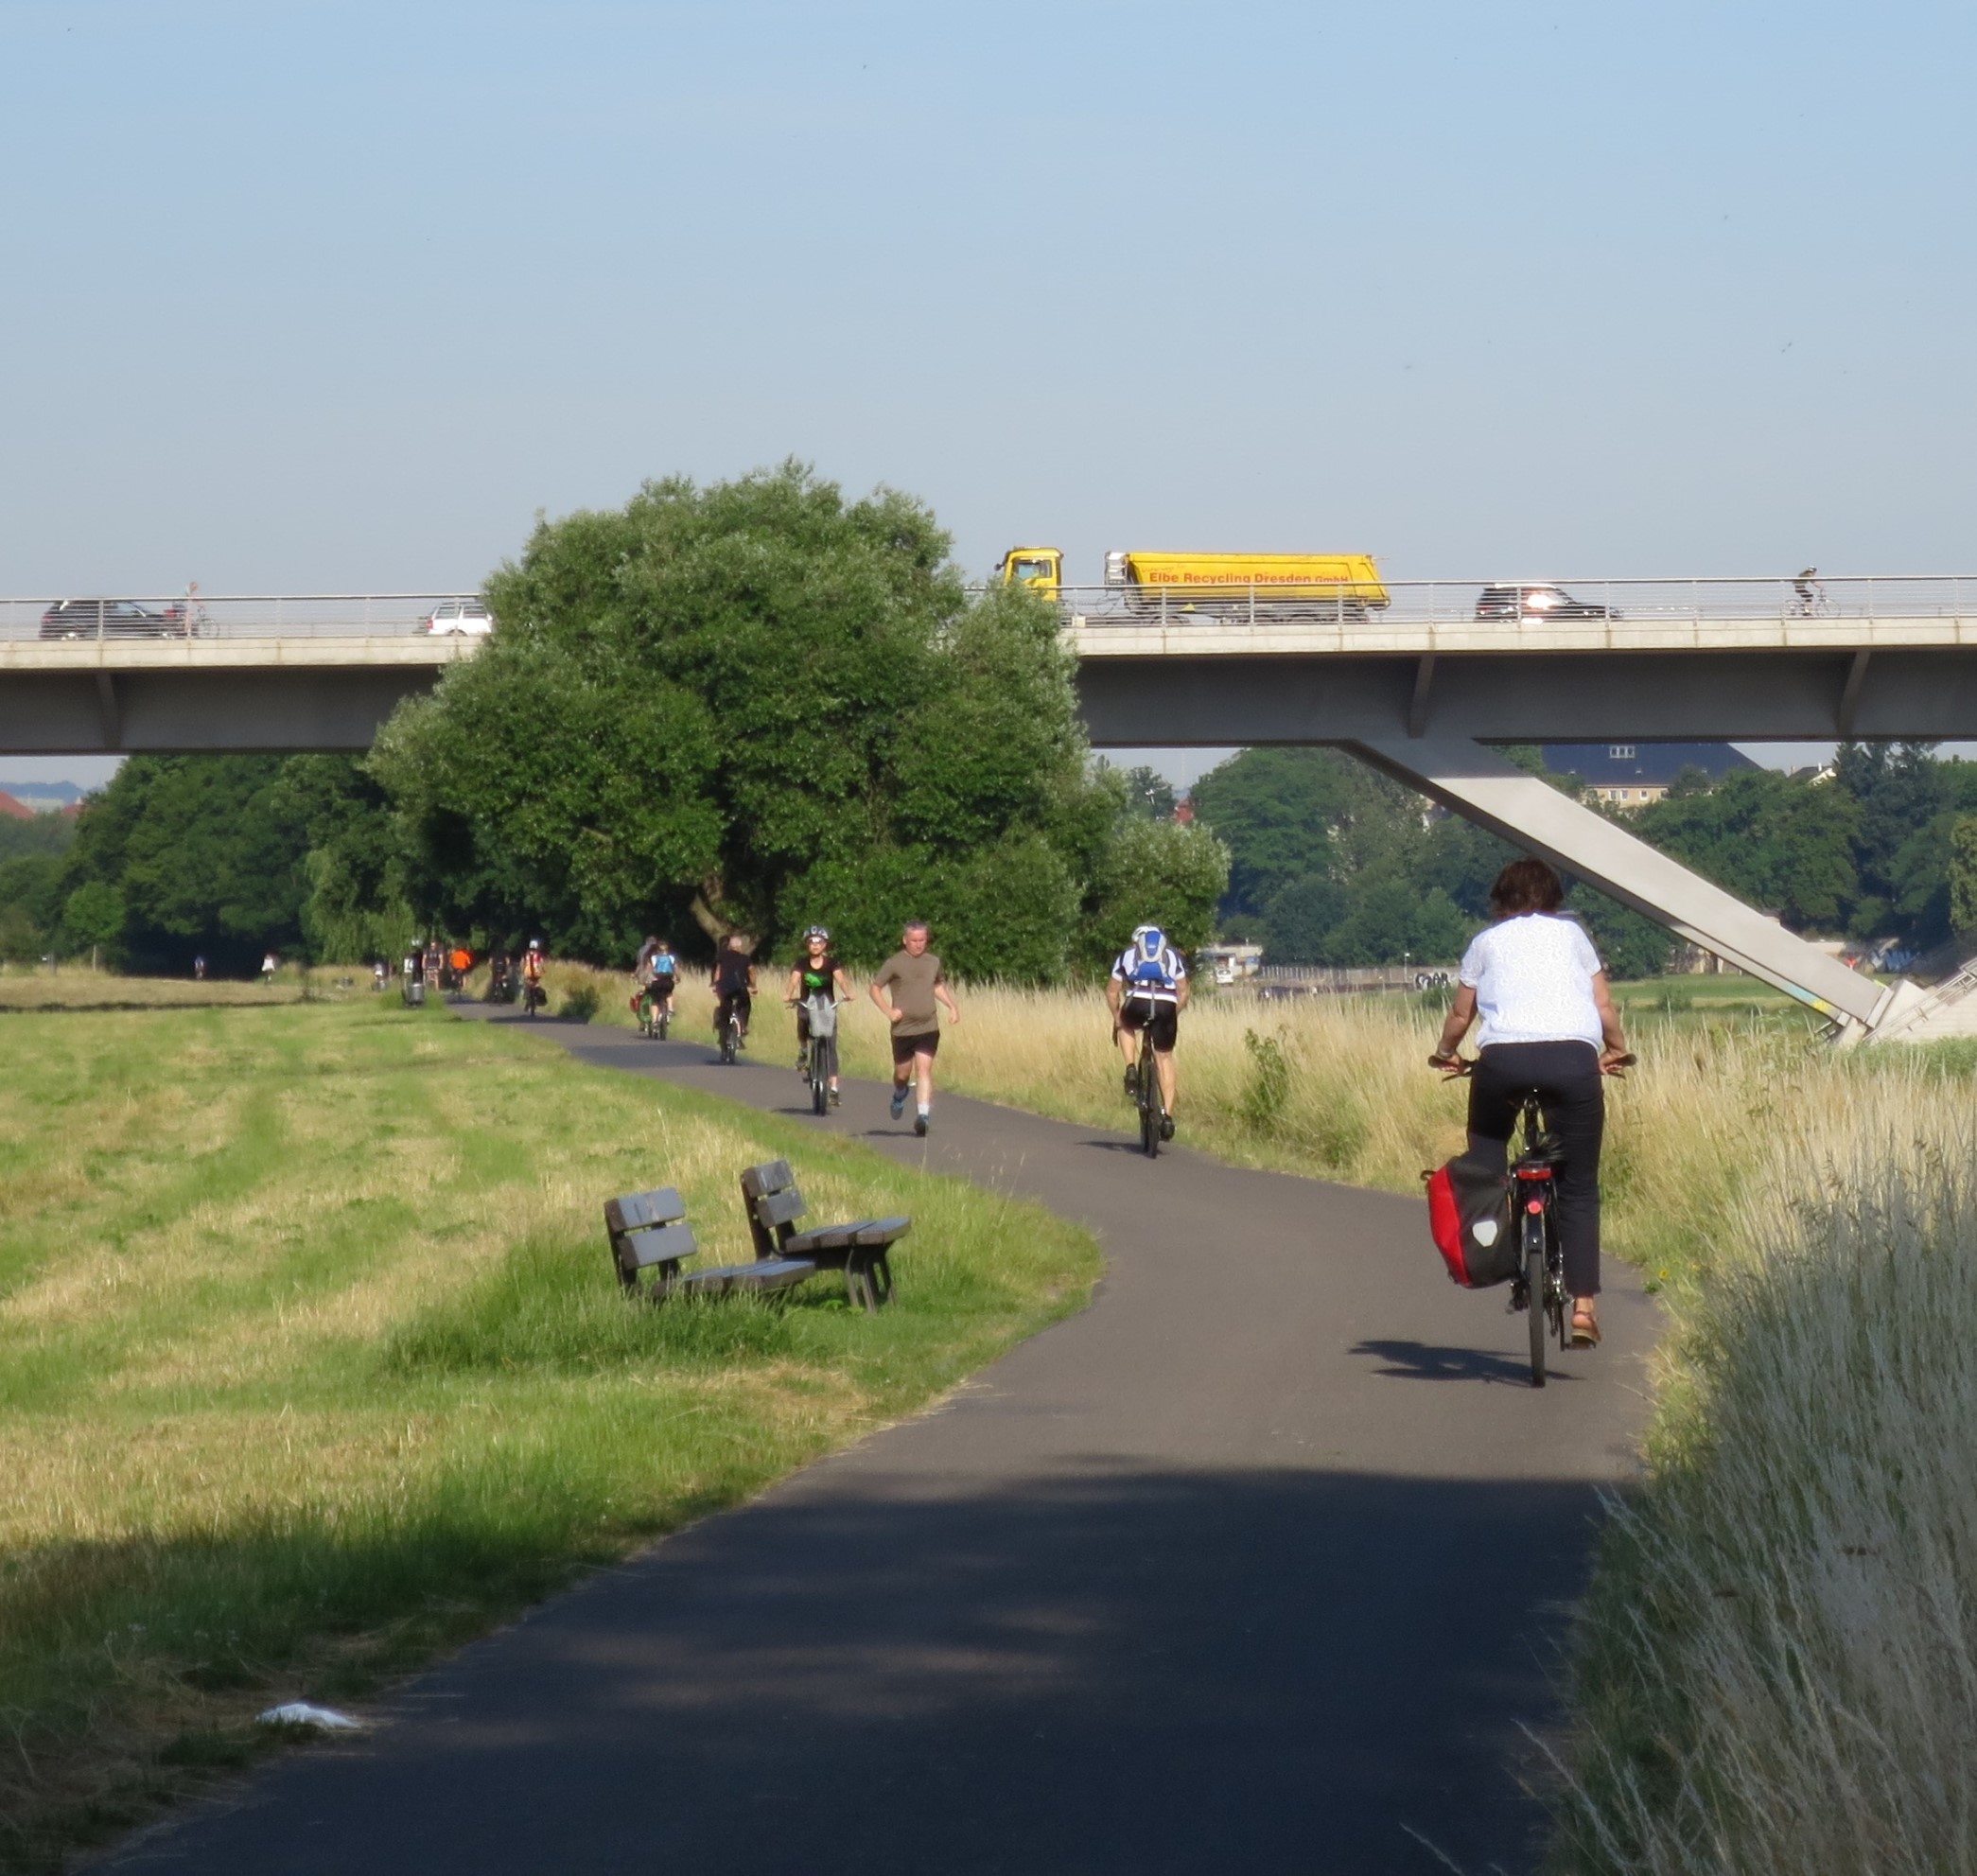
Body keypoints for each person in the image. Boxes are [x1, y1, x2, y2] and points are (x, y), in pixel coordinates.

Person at [1427, 857, 1631, 1349]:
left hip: (1503, 1066)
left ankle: (1494, 1244)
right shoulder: (1573, 937)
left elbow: (1461, 1013)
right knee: (1579, 1186)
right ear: (1554, 898)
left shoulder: (1485, 942)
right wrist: (1617, 1048)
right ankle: (1584, 1307)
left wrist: (1446, 1053)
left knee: (1488, 1158)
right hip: (1573, 1063)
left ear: (1501, 899)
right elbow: (1602, 1005)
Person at [869, 920, 960, 1136]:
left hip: (928, 1025)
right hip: (903, 1029)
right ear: (905, 940)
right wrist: (888, 1012)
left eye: (922, 940)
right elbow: (874, 989)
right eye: (914, 941)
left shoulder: (933, 962)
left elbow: (936, 985)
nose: (919, 945)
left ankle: (923, 1116)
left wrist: (952, 1006)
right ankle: (900, 1094)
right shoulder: (894, 963)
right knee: (903, 1073)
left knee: (924, 1070)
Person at [1106, 922, 1190, 1139]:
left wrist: (1117, 1018)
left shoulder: (1127, 956)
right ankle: (1168, 1118)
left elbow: (1112, 993)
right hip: (1165, 1005)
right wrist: (1173, 1013)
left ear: (1136, 942)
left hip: (1138, 1002)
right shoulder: (1173, 956)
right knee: (1165, 1058)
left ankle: (1131, 1068)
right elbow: (1183, 992)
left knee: (1125, 1023)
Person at [785, 926, 853, 1105]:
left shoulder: (832, 963)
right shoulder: (802, 963)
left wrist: (848, 993)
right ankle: (804, 1050)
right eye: (812, 942)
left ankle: (834, 1089)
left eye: (819, 942)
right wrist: (788, 994)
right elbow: (794, 980)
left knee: (830, 1046)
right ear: (807, 945)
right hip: (807, 1004)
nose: (815, 946)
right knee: (802, 1019)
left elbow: (841, 980)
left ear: (825, 945)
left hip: (826, 1007)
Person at [711, 933, 757, 1048]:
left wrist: (716, 985)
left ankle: (723, 1032)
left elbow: (718, 972)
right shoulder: (745, 958)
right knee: (746, 1004)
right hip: (740, 988)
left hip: (725, 988)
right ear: (740, 947)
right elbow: (751, 972)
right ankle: (743, 1027)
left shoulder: (722, 956)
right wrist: (753, 986)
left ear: (730, 947)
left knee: (724, 1008)